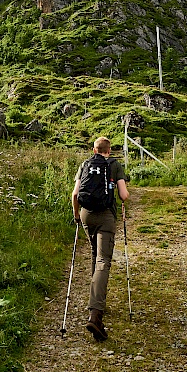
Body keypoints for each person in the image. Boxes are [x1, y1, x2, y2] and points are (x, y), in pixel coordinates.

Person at [72, 136, 129, 341]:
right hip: (105, 216)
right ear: (109, 150)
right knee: (103, 260)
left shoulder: (85, 164)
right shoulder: (114, 165)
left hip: (87, 214)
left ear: (94, 150)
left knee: (96, 255)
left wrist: (76, 215)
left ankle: (97, 299)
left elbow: (75, 194)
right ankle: (95, 314)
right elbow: (123, 194)